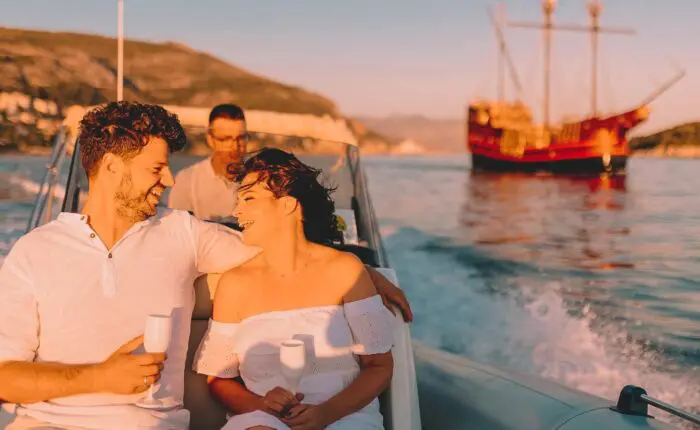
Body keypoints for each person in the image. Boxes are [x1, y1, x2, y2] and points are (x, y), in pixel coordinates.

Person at [0, 102, 412, 430]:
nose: (170, 182)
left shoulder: (183, 232)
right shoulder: (33, 252)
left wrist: (366, 274)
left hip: (149, 424)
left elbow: (284, 251)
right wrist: (98, 378)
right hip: (43, 423)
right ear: (110, 168)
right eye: (157, 169)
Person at [193, 148, 394, 429]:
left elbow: (380, 365)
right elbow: (218, 378)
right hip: (262, 419)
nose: (236, 211)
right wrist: (261, 405)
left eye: (248, 199)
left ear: (288, 205)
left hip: (344, 416)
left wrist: (326, 413)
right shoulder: (234, 283)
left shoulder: (345, 270)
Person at [168, 103, 247, 220]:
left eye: (241, 138)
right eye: (225, 139)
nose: (235, 146)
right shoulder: (186, 181)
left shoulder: (259, 179)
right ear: (210, 139)